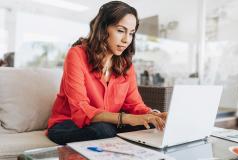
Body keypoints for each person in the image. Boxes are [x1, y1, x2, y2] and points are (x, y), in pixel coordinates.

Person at [47, 1, 167, 145]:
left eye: (131, 33)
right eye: (120, 30)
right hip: (67, 124)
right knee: (103, 131)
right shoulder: (77, 55)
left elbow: (135, 105)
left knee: (149, 124)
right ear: (103, 28)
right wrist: (126, 119)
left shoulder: (126, 65)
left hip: (107, 124)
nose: (126, 40)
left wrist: (154, 115)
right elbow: (81, 110)